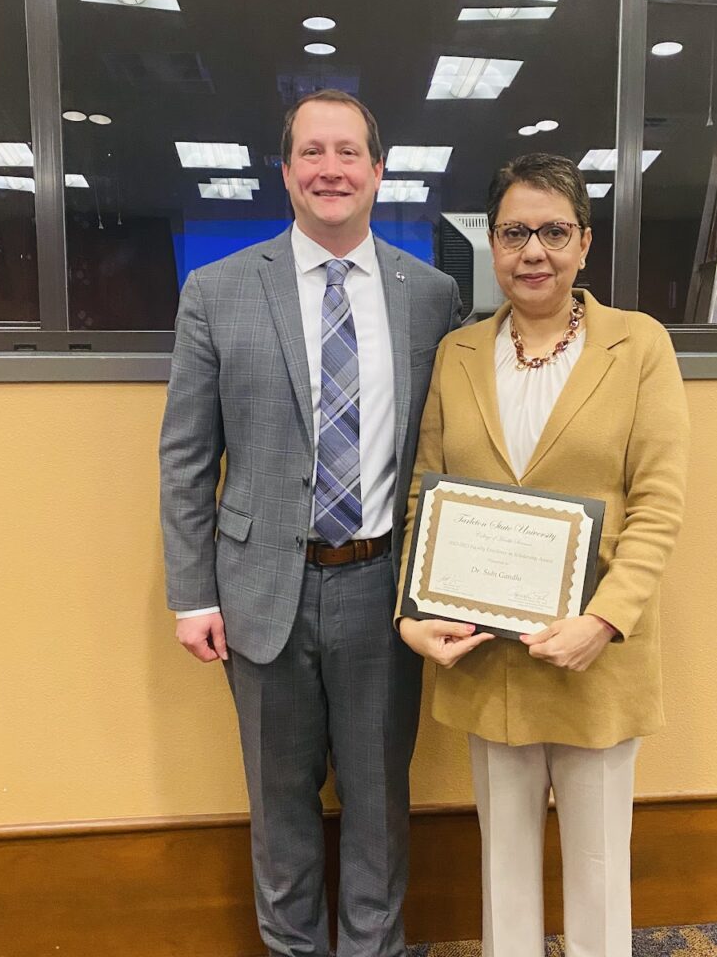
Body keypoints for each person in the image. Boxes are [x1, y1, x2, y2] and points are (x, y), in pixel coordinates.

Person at [159, 88, 461, 957]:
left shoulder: (430, 296)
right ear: (286, 172)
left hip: (382, 592)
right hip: (257, 597)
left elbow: (452, 444)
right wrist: (191, 596)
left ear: (378, 170)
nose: (331, 169)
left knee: (377, 804)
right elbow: (185, 456)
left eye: (349, 152)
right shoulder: (216, 291)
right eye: (312, 153)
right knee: (280, 806)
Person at [397, 152, 689, 957]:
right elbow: (427, 491)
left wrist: (603, 620)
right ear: (489, 243)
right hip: (490, 659)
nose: (535, 251)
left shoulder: (640, 347)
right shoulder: (457, 354)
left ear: (585, 243)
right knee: (505, 867)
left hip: (595, 657)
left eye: (554, 231)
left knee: (599, 869)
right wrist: (411, 613)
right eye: (516, 231)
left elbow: (659, 504)